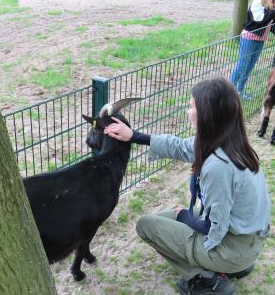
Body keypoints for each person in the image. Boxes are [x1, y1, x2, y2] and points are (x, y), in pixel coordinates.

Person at [103, 77, 271, 295]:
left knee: (146, 226)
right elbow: (180, 147)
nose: (187, 111)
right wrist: (134, 136)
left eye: (191, 107)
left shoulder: (218, 167)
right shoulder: (231, 141)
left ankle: (207, 279)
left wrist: (185, 216)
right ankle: (231, 266)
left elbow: (213, 229)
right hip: (247, 239)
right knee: (163, 220)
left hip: (232, 248)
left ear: (207, 114)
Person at [230, 0, 275, 100]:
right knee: (242, 65)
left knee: (249, 67)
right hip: (249, 38)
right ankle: (227, 91)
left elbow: (271, 23)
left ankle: (239, 90)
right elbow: (259, 19)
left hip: (260, 40)